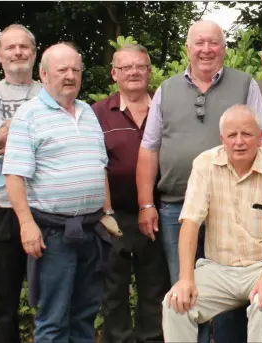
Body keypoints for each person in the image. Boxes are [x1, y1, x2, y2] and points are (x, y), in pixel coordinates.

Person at [136, 20, 262, 343]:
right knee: (181, 293)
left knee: (244, 311)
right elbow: (149, 149)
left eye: (214, 43)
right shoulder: (166, 90)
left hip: (247, 221)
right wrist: (146, 203)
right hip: (177, 206)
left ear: (224, 49)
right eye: (199, 43)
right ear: (187, 49)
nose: (206, 49)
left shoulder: (245, 84)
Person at [2, 42, 110, 343]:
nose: (70, 75)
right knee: (53, 317)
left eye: (75, 69)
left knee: (85, 313)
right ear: (44, 74)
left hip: (91, 230)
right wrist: (26, 224)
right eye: (62, 69)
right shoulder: (29, 115)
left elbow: (99, 168)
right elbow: (13, 175)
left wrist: (108, 214)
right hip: (53, 234)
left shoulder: (88, 112)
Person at [162, 104, 262, 342]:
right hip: (218, 269)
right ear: (222, 138)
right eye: (232, 135)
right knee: (174, 303)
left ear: (260, 137)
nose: (239, 141)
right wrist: (185, 279)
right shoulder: (204, 164)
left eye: (247, 134)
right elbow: (190, 222)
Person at [91, 44, 170, 343]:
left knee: (155, 287)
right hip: (114, 213)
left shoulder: (165, 107)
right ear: (114, 74)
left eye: (140, 66)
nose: (134, 72)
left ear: (150, 71)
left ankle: (152, 339)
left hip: (158, 210)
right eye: (126, 68)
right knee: (114, 290)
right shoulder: (97, 112)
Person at [0, 24, 41, 343]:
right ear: (0, 56)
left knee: (49, 296)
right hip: (2, 206)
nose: (18, 52)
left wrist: (11, 133)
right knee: (4, 299)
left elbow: (54, 138)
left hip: (45, 207)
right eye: (10, 48)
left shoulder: (49, 91)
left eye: (24, 47)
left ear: (34, 53)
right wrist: (33, 129)